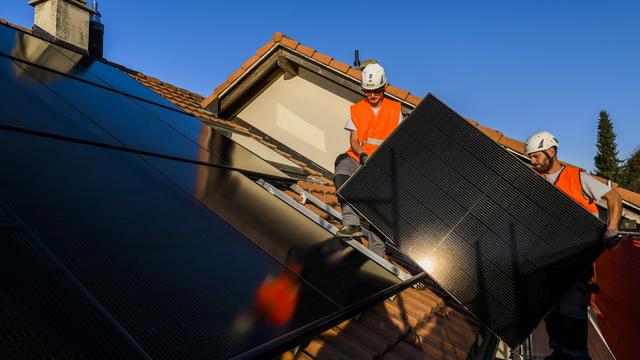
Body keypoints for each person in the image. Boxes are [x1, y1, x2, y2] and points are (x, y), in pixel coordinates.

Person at [524, 131, 622, 360]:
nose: (532, 162)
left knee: (571, 309)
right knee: (550, 310)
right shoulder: (533, 181)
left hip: (577, 261)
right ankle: (558, 351)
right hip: (547, 259)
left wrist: (612, 229)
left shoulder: (576, 177)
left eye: (535, 157)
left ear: (550, 152)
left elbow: (614, 197)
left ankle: (575, 355)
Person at [332, 63, 403, 258]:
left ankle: (377, 255)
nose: (372, 95)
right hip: (358, 157)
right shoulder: (357, 109)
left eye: (376, 91)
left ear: (384, 88)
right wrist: (362, 153)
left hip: (382, 165)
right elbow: (354, 140)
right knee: (341, 174)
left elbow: (400, 140)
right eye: (368, 91)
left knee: (379, 209)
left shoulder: (395, 111)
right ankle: (351, 223)